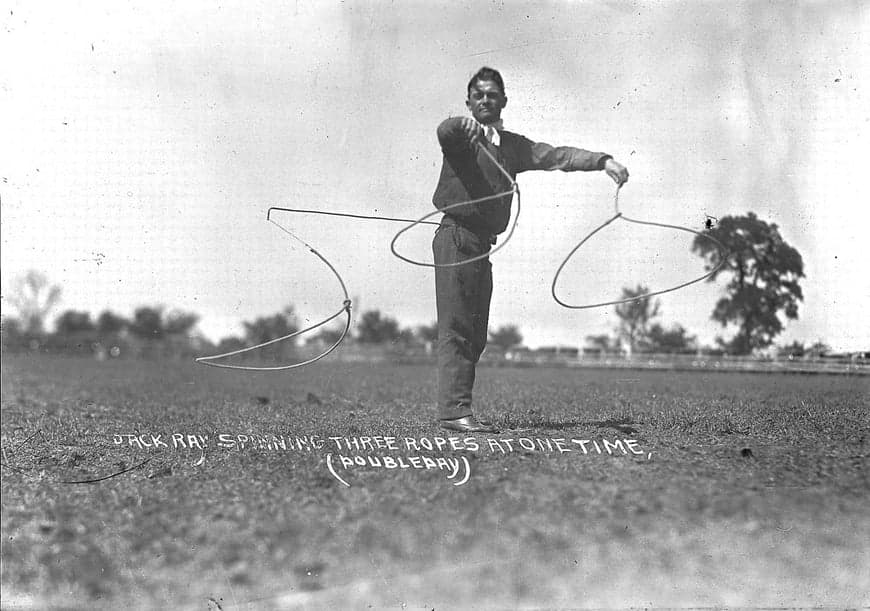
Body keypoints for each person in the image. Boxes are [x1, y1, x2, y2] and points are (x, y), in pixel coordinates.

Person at [433, 66, 629, 433]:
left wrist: (604, 161)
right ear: (469, 102)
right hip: (456, 238)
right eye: (478, 95)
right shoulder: (462, 137)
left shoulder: (513, 147)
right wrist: (460, 125)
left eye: (492, 95)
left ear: (504, 101)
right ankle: (454, 412)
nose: (485, 100)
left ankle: (457, 408)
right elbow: (445, 132)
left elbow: (556, 156)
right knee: (457, 327)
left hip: (481, 246)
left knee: (475, 334)